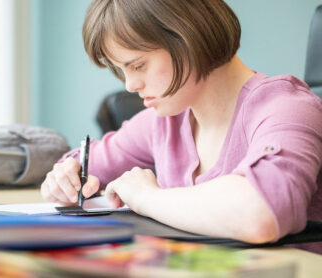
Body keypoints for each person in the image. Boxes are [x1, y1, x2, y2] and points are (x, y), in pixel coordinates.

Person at [41, 0, 322, 253]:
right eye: (122, 70)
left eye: (138, 65)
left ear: (187, 39)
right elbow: (83, 164)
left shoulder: (287, 107)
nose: (130, 85)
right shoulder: (165, 120)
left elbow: (263, 214)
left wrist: (147, 198)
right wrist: (64, 178)